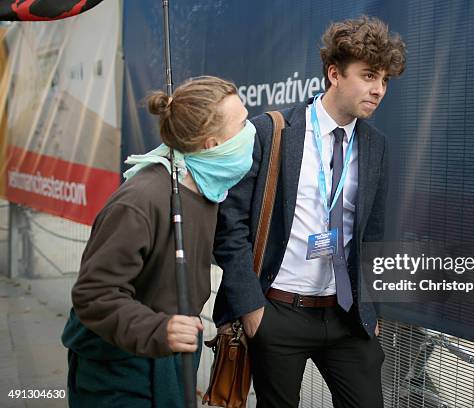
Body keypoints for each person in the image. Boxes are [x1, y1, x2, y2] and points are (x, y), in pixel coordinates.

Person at [213, 16, 406, 408]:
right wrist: (252, 310)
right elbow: (230, 227)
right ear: (334, 74)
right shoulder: (272, 132)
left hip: (346, 316)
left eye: (384, 80)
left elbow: (372, 233)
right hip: (278, 311)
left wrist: (373, 305)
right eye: (369, 75)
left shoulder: (376, 145)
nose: (378, 89)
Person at [61, 75, 253, 407]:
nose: (251, 132)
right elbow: (93, 295)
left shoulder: (207, 185)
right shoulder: (139, 201)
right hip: (118, 370)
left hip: (171, 361)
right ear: (212, 144)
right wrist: (158, 328)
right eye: (243, 124)